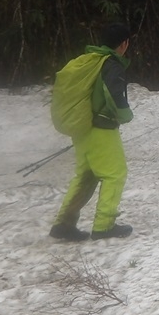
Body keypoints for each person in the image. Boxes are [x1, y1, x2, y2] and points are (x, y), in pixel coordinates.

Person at [49, 22, 135, 241]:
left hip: (82, 127)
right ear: (124, 44)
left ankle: (63, 224)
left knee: (86, 176)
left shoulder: (91, 60)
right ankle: (104, 226)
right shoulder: (111, 64)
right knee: (115, 174)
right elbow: (112, 94)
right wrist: (126, 115)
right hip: (101, 127)